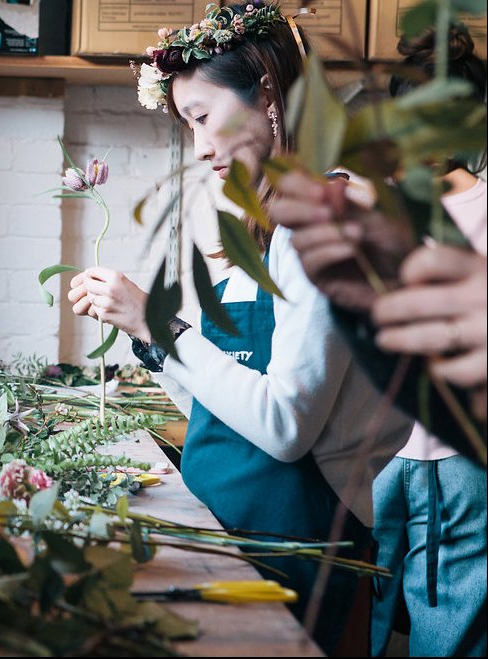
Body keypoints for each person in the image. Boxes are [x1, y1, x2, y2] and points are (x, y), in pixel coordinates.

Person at [69, 2, 413, 653]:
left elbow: (284, 425)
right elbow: (227, 401)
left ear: (265, 93)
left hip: (295, 546)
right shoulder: (272, 224)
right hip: (237, 532)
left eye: (201, 118)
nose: (198, 147)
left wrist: (156, 322)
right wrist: (150, 341)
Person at [268, 25, 487, 658]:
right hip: (457, 455)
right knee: (450, 635)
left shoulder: (360, 199)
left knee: (355, 625)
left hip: (367, 456)